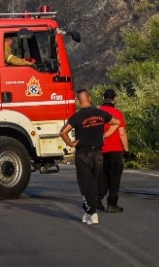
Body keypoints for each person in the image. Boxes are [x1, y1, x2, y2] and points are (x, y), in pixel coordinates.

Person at [60, 89, 120, 224]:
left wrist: (71, 143)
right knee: (95, 183)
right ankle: (88, 211)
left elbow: (63, 132)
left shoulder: (77, 117)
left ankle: (92, 212)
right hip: (98, 153)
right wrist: (105, 135)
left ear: (77, 100)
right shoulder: (100, 113)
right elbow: (116, 123)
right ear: (90, 98)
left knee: (85, 183)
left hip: (83, 154)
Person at [98, 88, 129, 213]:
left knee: (103, 175)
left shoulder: (97, 112)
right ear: (115, 99)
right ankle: (112, 203)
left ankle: (98, 199)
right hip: (115, 149)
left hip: (100, 149)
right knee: (115, 176)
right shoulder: (118, 114)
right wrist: (126, 150)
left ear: (103, 98)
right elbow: (122, 133)